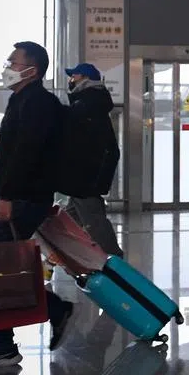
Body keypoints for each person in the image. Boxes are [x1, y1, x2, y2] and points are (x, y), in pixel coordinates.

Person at [0, 42, 74, 370]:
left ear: (32, 69)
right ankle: (9, 340)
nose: (7, 66)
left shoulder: (38, 103)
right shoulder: (23, 99)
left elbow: (25, 155)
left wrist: (7, 197)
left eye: (13, 61)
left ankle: (6, 345)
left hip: (23, 198)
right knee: (2, 266)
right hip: (24, 196)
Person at [58, 63, 123, 258]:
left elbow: (83, 140)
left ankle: (115, 262)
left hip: (86, 172)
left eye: (74, 76)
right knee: (67, 222)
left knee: (93, 220)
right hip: (85, 170)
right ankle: (50, 262)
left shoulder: (88, 102)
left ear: (85, 78)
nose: (71, 80)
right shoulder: (90, 101)